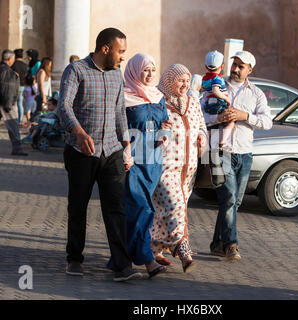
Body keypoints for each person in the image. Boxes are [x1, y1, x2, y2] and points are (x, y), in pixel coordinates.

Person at [58, 27, 142, 282]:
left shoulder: (117, 74)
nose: (123, 57)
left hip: (112, 151)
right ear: (105, 48)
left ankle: (121, 265)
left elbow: (119, 111)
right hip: (81, 153)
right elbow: (64, 106)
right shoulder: (76, 71)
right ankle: (74, 258)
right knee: (78, 207)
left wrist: (126, 145)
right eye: (121, 51)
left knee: (116, 208)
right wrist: (79, 133)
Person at [108, 53, 173, 278]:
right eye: (145, 70)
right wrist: (125, 152)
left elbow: (166, 122)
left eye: (153, 70)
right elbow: (117, 127)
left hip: (153, 160)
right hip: (132, 161)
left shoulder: (158, 96)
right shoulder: (124, 96)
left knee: (136, 210)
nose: (149, 74)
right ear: (135, 70)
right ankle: (147, 261)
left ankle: (120, 260)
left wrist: (165, 133)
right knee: (142, 208)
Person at [202, 50, 272, 260]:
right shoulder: (215, 85)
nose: (235, 69)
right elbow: (201, 115)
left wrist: (245, 116)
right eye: (234, 64)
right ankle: (231, 245)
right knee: (230, 198)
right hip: (219, 152)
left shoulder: (256, 93)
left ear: (250, 70)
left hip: (245, 153)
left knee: (233, 201)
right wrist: (218, 117)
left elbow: (267, 122)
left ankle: (217, 244)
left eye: (241, 66)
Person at [151, 64, 208, 272]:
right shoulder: (158, 102)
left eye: (187, 80)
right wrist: (158, 130)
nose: (184, 84)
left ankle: (153, 250)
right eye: (180, 80)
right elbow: (147, 127)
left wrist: (203, 136)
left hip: (189, 168)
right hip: (166, 167)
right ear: (169, 81)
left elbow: (201, 125)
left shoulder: (193, 103)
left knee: (165, 211)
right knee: (175, 206)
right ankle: (182, 248)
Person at [202, 50, 233, 148]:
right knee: (231, 122)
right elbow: (216, 91)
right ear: (222, 66)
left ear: (206, 66)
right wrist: (227, 99)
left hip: (209, 103)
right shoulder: (217, 78)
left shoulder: (205, 78)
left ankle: (211, 139)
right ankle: (222, 141)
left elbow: (205, 90)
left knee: (213, 126)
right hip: (219, 103)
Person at [0, 50, 28, 156]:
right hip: (7, 103)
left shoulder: (5, 69)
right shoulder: (7, 72)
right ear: (10, 59)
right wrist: (8, 105)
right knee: (13, 125)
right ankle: (17, 148)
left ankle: (17, 148)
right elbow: (7, 89)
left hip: (4, 101)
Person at [11, 49, 28, 124]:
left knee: (13, 103)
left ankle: (13, 119)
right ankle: (20, 120)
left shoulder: (13, 64)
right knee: (20, 103)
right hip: (22, 85)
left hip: (14, 85)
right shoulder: (25, 65)